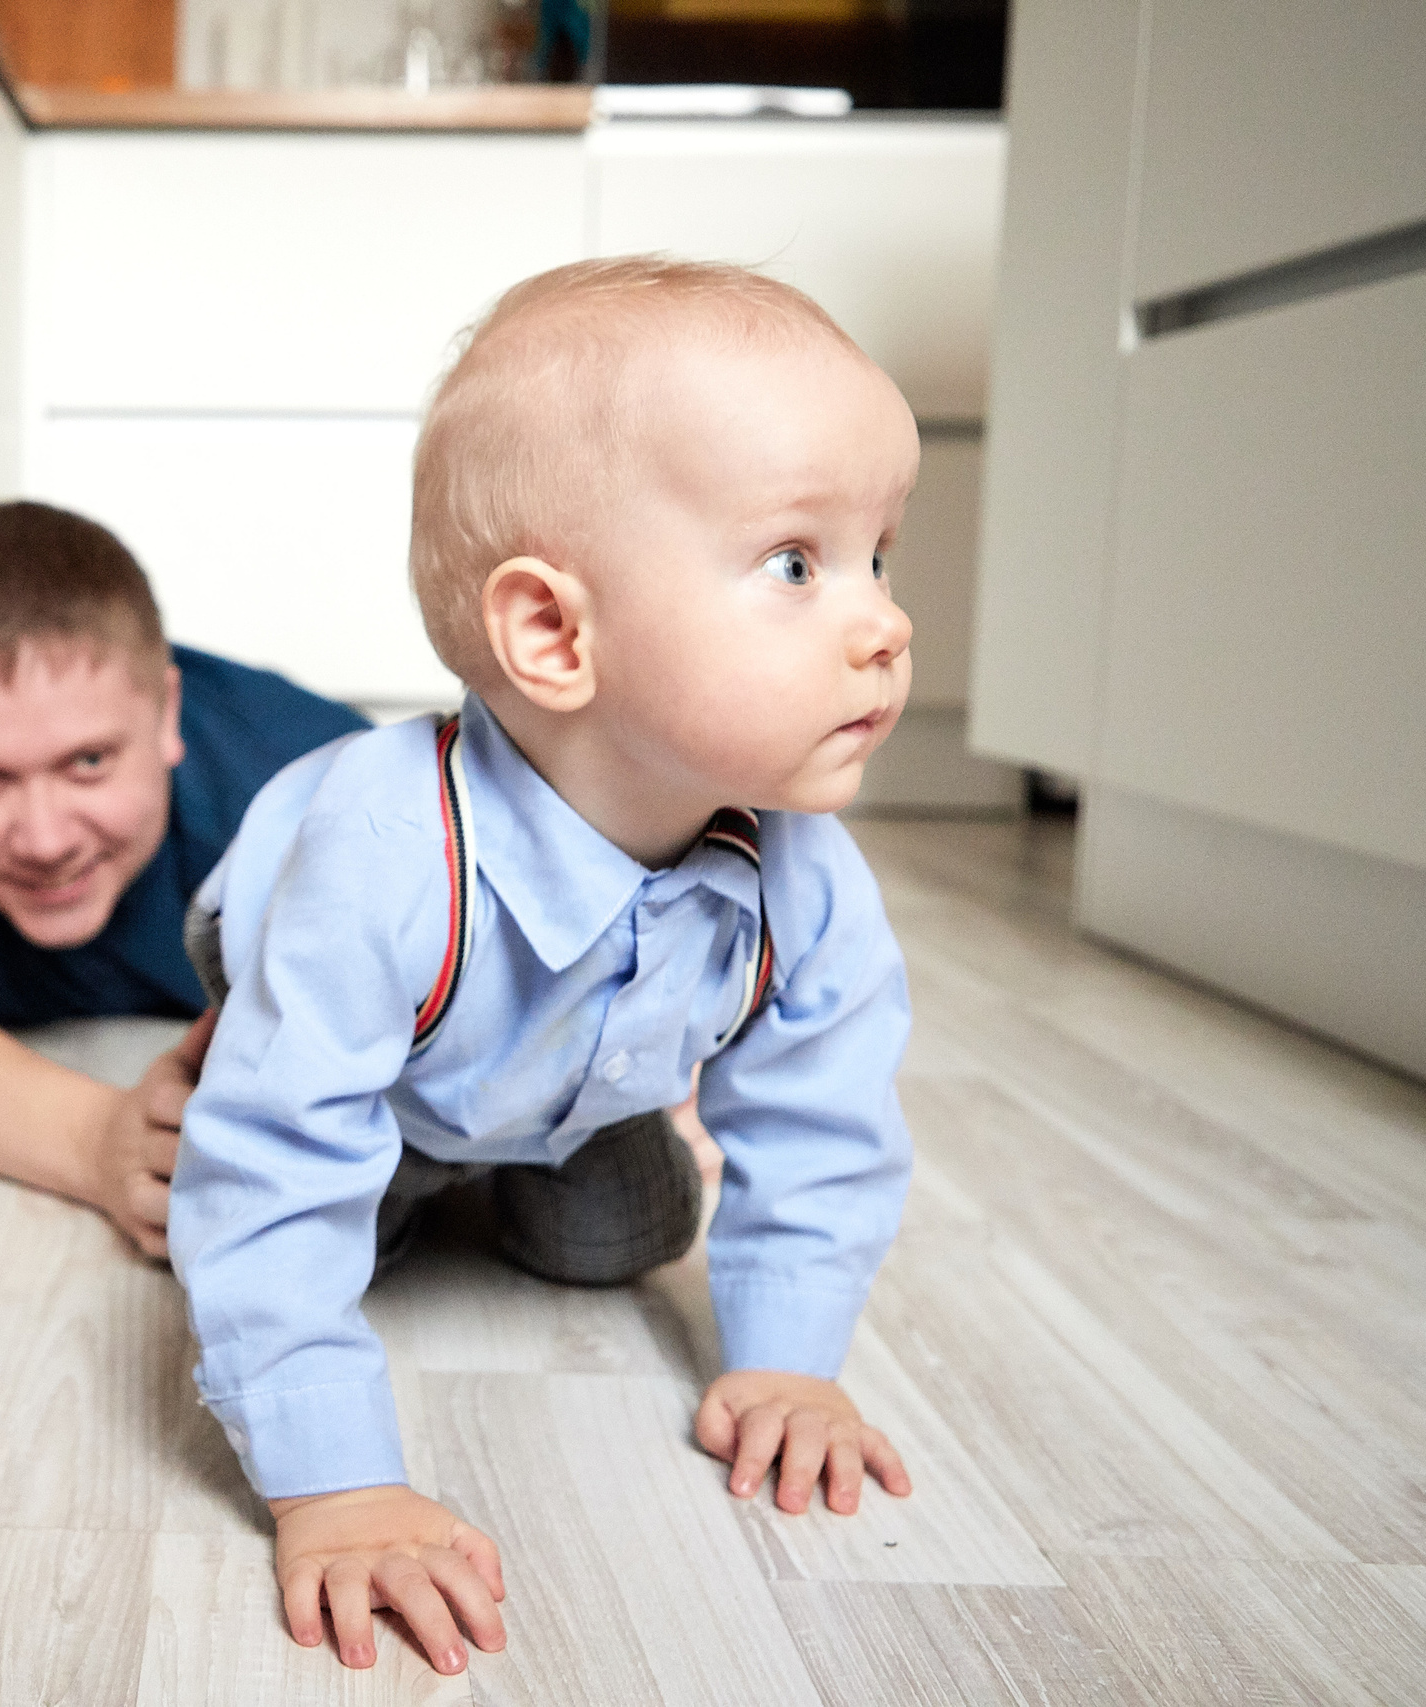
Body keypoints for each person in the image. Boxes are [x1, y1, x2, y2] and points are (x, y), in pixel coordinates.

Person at [170, 257, 921, 1675]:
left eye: (880, 552)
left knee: (625, 1240)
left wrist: (787, 1358)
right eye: (797, 565)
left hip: (562, 1072)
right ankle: (350, 1134)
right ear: (556, 633)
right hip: (373, 1066)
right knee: (252, 1214)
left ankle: (530, 1142)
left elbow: (826, 1112)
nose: (880, 621)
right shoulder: (381, 856)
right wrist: (331, 1478)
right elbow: (276, 1167)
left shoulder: (806, 871)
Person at [0, 500, 366, 1257]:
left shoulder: (309, 773)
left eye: (88, 763)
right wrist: (99, 1143)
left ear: (165, 717)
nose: (46, 840)